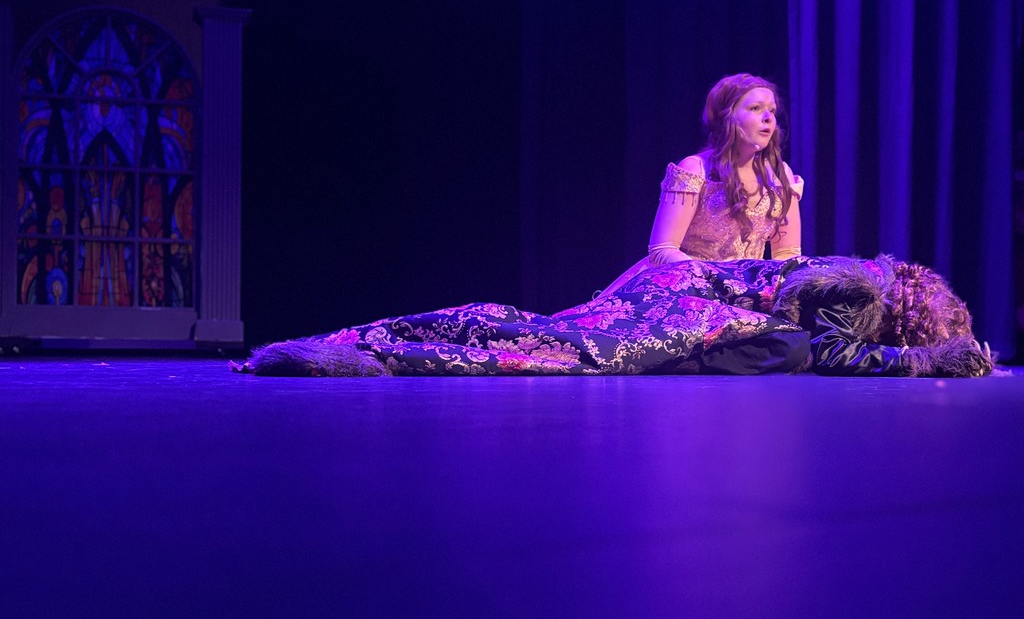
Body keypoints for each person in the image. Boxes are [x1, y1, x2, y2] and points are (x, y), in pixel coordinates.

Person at [233, 255, 993, 378]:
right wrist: (918, 363)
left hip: (688, 292)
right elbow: (834, 356)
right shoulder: (858, 296)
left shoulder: (860, 276)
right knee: (564, 349)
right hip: (685, 300)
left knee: (545, 332)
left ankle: (373, 341)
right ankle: (370, 350)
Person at [597, 73, 803, 299]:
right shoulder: (696, 169)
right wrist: (716, 280)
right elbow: (661, 250)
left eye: (772, 111)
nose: (768, 118)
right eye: (755, 108)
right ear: (728, 116)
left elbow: (786, 253)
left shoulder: (780, 175)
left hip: (747, 295)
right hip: (686, 291)